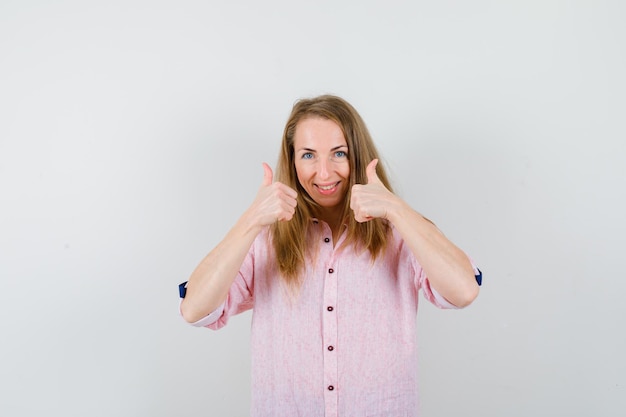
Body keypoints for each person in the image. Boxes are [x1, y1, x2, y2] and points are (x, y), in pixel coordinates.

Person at [179, 95, 482, 417]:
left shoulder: (401, 231)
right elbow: (195, 310)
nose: (324, 173)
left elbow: (463, 291)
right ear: (292, 161)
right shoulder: (265, 237)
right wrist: (251, 219)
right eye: (308, 155)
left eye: (339, 154)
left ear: (359, 155)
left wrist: (395, 208)